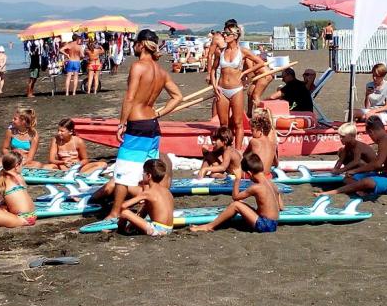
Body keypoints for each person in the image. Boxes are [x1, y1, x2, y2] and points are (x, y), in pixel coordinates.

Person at [104, 29, 184, 219]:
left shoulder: (138, 66)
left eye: (134, 43)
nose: (133, 46)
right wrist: (159, 112)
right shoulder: (161, 71)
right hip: (153, 126)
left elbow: (130, 97)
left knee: (123, 172)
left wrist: (121, 123)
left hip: (138, 124)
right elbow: (178, 97)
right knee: (148, 170)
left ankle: (115, 212)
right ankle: (148, 207)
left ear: (141, 45)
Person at [317, 116, 387, 198]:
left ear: (371, 132)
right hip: (385, 175)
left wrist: (355, 170)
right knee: (348, 178)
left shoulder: (385, 141)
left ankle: (333, 192)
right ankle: (362, 189)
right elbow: (381, 165)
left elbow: (377, 164)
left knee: (366, 181)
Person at [189, 153, 282, 233]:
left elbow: (235, 197)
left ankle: (209, 226)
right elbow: (281, 206)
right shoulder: (272, 184)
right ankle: (218, 223)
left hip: (266, 225)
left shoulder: (256, 187)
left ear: (249, 173)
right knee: (241, 204)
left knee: (236, 205)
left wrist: (237, 179)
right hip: (275, 223)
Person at [209, 24, 264, 148]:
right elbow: (213, 69)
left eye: (227, 34)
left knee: (238, 123)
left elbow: (260, 62)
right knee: (223, 124)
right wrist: (214, 85)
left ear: (235, 36)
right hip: (222, 90)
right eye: (224, 33)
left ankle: (238, 151)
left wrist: (245, 72)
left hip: (236, 90)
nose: (224, 36)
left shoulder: (242, 51)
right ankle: (225, 149)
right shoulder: (221, 52)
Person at [116, 158, 176, 236]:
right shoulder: (167, 191)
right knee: (146, 206)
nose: (142, 175)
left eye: (143, 172)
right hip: (169, 229)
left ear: (149, 176)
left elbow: (123, 206)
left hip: (157, 230)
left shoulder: (148, 193)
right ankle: (130, 228)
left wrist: (136, 202)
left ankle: (121, 231)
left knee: (125, 212)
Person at [0, 152, 38, 228]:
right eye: (22, 165)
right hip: (33, 215)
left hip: (22, 219)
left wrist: (2, 209)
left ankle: (19, 222)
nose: (22, 166)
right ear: (17, 165)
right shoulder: (20, 178)